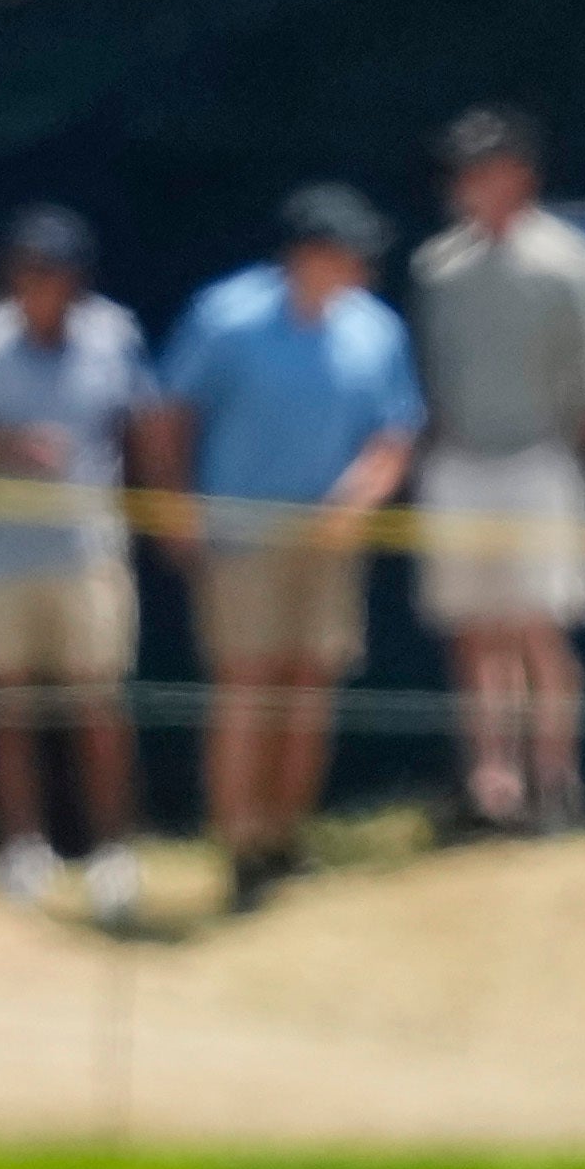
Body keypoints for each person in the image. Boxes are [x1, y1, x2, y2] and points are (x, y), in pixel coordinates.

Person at [140, 185, 418, 907]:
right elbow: (169, 414)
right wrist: (174, 507)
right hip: (240, 534)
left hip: (329, 544)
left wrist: (359, 497)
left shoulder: (375, 328)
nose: (363, 264)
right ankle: (238, 845)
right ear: (308, 253)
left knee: (309, 688)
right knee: (246, 685)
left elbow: (394, 432)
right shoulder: (225, 315)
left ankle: (284, 841)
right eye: (349, 250)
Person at [0, 205, 148, 923]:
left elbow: (141, 423)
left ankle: (112, 851)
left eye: (50, 271)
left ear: (75, 279)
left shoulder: (115, 336)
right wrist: (6, 445)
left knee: (98, 707)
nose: (37, 283)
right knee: (7, 708)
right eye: (25, 269)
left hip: (90, 551)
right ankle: (21, 847)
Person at [405, 108, 585, 837]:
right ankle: (490, 782)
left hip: (541, 464)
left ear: (522, 176)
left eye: (491, 168)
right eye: (466, 170)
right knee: (473, 629)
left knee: (538, 626)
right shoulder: (439, 267)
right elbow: (429, 377)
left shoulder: (571, 262)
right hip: (459, 466)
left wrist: (568, 459)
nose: (476, 183)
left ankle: (553, 783)